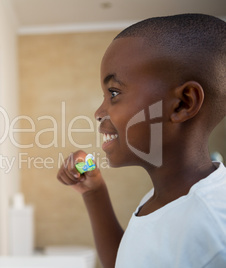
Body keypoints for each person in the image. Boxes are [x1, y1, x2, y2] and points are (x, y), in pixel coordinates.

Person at [56, 13, 226, 268]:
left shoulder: (210, 231)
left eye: (114, 92)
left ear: (182, 104)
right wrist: (94, 192)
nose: (99, 113)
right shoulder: (165, 196)